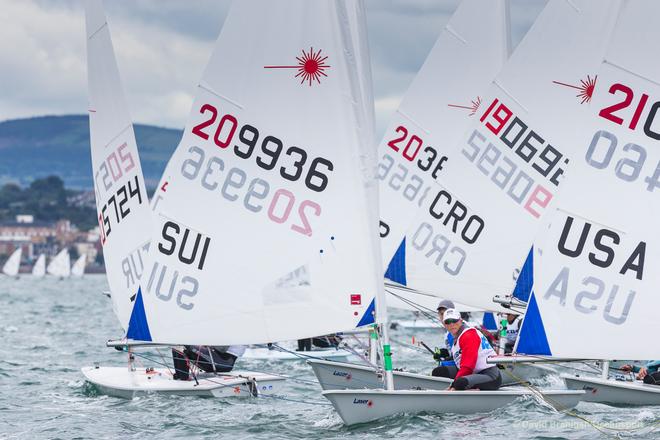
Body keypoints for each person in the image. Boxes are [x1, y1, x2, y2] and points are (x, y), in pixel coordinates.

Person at [436, 308, 502, 391]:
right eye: (448, 322)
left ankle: (471, 390)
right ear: (444, 324)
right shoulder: (456, 339)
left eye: (454, 320)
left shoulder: (469, 335)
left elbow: (468, 366)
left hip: (490, 376)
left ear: (460, 321)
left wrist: (454, 385)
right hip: (474, 373)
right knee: (439, 371)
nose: (451, 324)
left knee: (460, 383)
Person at [172, 345, 246, 380]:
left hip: (223, 363)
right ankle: (179, 375)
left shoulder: (232, 331)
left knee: (184, 346)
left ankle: (184, 378)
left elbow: (222, 348)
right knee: (177, 346)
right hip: (216, 360)